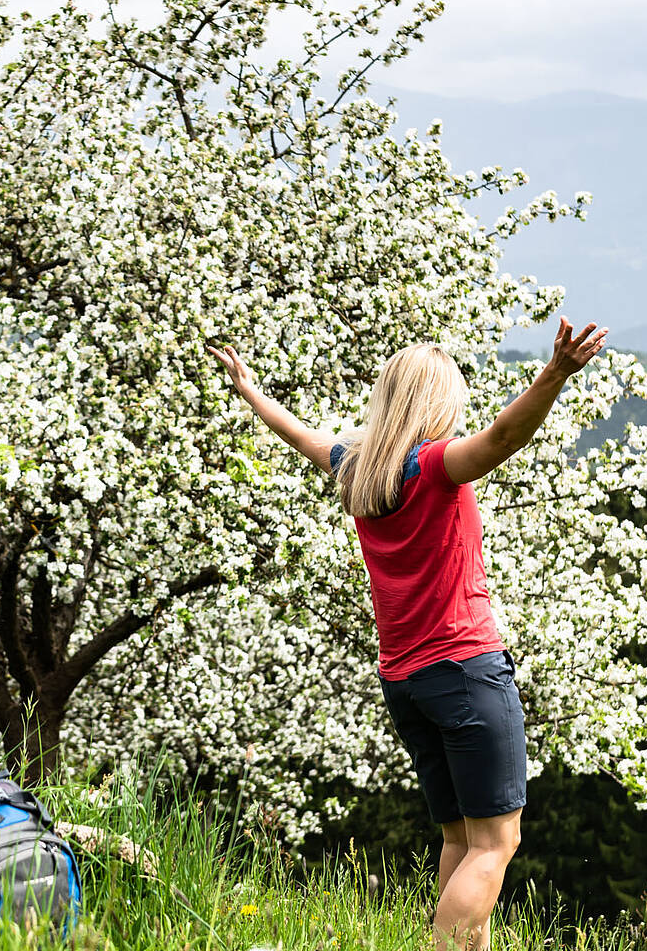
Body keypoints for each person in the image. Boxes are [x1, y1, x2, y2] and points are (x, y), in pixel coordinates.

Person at [208, 318, 609, 951]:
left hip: (405, 682)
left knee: (459, 839)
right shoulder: (434, 467)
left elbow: (300, 435)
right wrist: (554, 376)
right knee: (497, 844)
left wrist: (250, 392)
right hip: (466, 670)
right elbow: (504, 436)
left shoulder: (359, 470)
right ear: (436, 404)